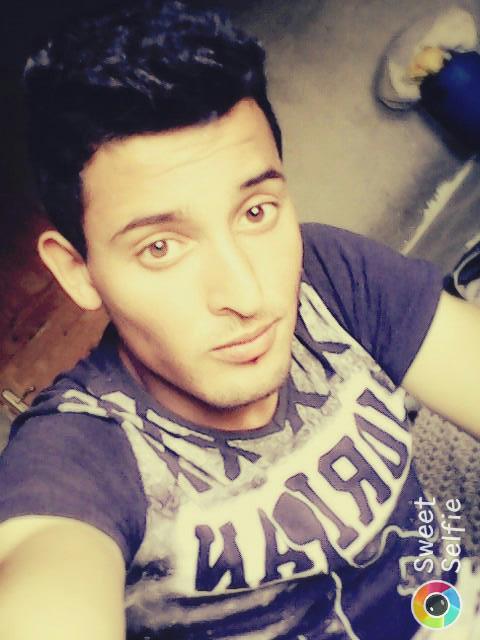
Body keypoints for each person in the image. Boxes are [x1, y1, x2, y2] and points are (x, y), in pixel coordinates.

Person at [0, 1, 479, 639]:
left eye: (256, 212)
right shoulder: (80, 455)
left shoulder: (331, 272)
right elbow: (43, 582)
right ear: (79, 271)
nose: (247, 294)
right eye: (160, 247)